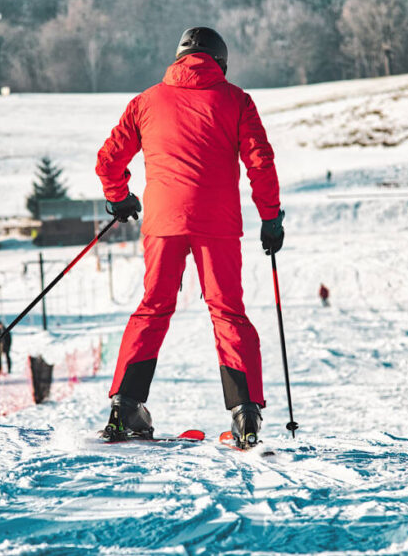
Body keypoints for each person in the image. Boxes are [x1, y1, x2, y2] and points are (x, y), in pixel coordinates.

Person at [95, 27, 284, 448]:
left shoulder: (146, 101)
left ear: (179, 58)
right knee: (227, 312)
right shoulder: (237, 100)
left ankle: (125, 405)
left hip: (162, 222)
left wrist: (119, 197)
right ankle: (245, 413)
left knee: (153, 308)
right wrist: (270, 217)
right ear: (221, 62)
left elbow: (109, 160)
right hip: (217, 224)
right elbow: (260, 162)